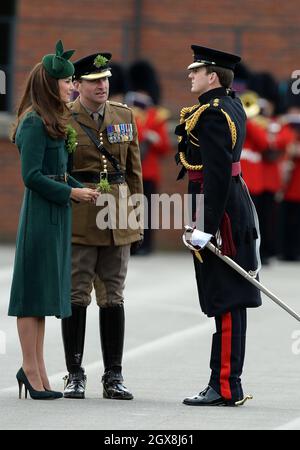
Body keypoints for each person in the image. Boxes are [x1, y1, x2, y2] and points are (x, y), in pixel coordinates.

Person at [8, 40, 98, 400]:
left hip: (56, 213)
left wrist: (82, 188)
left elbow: (57, 172)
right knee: (32, 296)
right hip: (41, 215)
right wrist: (70, 194)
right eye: (67, 82)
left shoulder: (52, 120)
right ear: (50, 84)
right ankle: (31, 370)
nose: (73, 87)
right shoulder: (33, 122)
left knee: (45, 295)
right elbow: (31, 176)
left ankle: (38, 369)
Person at [175, 45, 262, 406]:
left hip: (220, 211)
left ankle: (225, 386)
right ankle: (226, 382)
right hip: (231, 204)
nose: (190, 75)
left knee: (225, 298)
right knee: (230, 299)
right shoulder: (231, 102)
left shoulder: (212, 114)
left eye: (196, 71)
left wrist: (206, 227)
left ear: (212, 76)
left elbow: (215, 175)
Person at [62, 52, 143, 400]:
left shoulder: (124, 116)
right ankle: (75, 373)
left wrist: (138, 219)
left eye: (106, 79)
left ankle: (114, 375)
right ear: (77, 85)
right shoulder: (64, 119)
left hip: (118, 216)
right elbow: (58, 172)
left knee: (113, 296)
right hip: (81, 214)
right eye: (95, 81)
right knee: (77, 294)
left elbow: (135, 172)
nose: (103, 85)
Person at [126, 60, 172, 254]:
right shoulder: (127, 112)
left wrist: (154, 139)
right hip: (130, 169)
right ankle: (131, 244)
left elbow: (165, 147)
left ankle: (147, 245)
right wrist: (145, 133)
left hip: (150, 171)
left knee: (148, 210)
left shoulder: (157, 115)